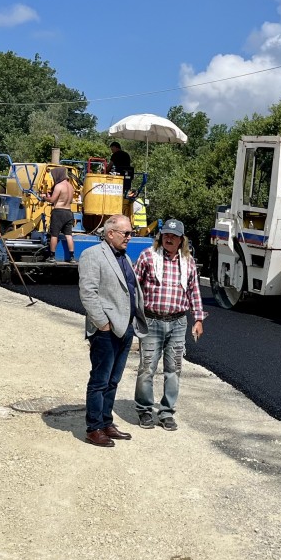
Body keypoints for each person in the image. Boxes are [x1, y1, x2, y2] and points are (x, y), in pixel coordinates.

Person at [78, 214, 148, 448]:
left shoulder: (124, 256)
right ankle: (94, 428)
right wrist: (103, 324)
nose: (130, 237)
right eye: (126, 233)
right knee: (99, 380)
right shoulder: (92, 255)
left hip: (125, 327)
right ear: (110, 234)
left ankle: (106, 422)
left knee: (113, 380)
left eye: (131, 233)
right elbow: (88, 292)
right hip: (106, 330)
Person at [133, 219, 205, 431]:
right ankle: (145, 410)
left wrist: (198, 318)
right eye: (166, 235)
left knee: (174, 369)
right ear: (161, 236)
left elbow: (194, 291)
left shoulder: (188, 262)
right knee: (147, 368)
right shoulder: (148, 257)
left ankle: (166, 412)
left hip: (178, 323)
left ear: (181, 239)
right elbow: (134, 286)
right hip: (152, 321)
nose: (169, 238)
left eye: (173, 236)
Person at [42, 166, 75, 262]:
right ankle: (72, 257)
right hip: (68, 212)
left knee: (54, 235)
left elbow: (52, 200)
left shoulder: (59, 186)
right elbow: (70, 200)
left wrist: (44, 197)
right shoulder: (71, 186)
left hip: (58, 212)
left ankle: (52, 257)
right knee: (69, 235)